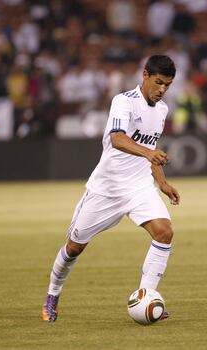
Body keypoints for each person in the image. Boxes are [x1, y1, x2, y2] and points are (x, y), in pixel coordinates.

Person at [42, 55, 180, 322]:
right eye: (159, 82)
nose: (162, 90)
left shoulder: (162, 111)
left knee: (164, 233)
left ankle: (146, 296)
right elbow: (117, 139)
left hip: (139, 187)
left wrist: (162, 183)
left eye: (168, 85)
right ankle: (52, 295)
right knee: (74, 247)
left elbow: (150, 151)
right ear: (145, 75)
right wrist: (148, 154)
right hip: (106, 189)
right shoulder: (124, 101)